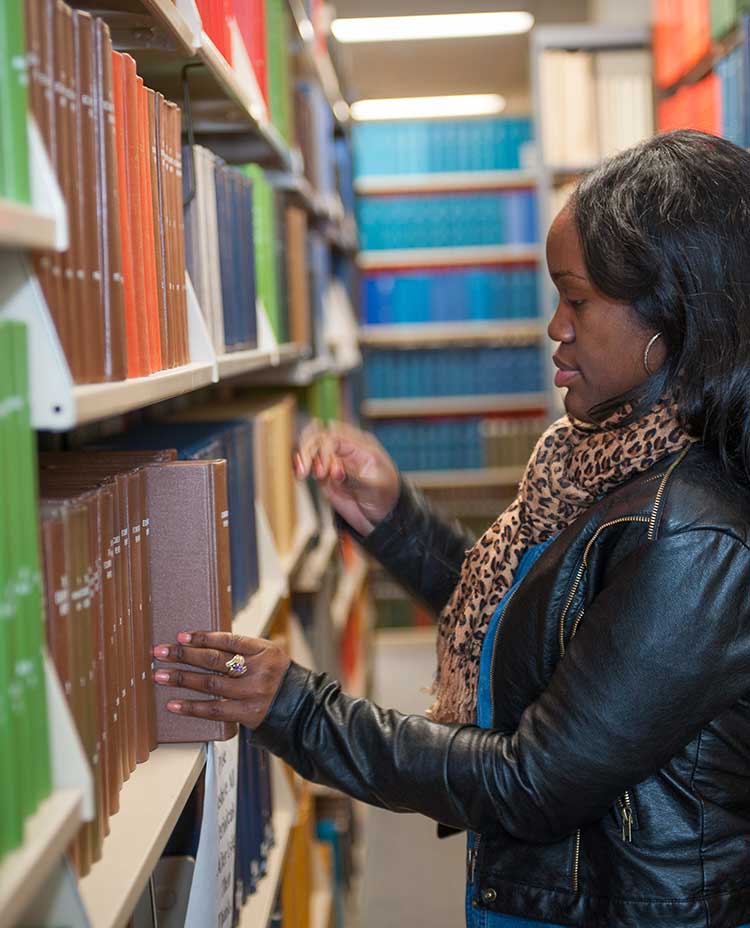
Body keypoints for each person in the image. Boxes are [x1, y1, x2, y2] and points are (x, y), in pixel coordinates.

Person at [151, 130, 750, 928]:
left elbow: (531, 781)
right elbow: (554, 626)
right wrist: (396, 524)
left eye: (576, 300)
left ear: (668, 314)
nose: (555, 330)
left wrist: (296, 708)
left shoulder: (690, 534)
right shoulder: (605, 459)